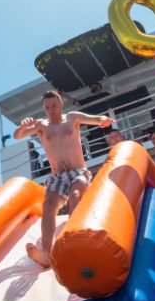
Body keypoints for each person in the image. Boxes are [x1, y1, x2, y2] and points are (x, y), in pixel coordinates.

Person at [13, 90, 114, 267]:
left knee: (75, 196)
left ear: (61, 105)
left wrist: (102, 120)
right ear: (44, 109)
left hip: (78, 172)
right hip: (57, 176)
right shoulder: (41, 125)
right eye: (47, 107)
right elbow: (18, 135)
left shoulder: (72, 118)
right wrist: (23, 126)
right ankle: (46, 253)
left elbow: (93, 118)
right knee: (48, 205)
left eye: (54, 106)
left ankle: (77, 240)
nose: (51, 110)